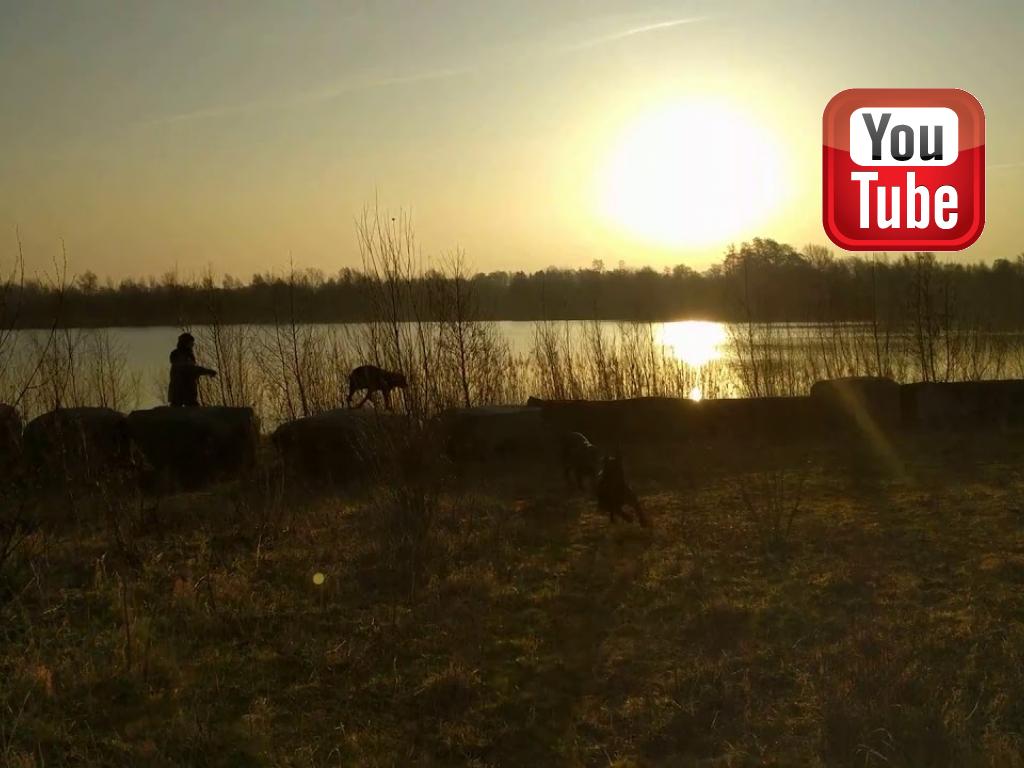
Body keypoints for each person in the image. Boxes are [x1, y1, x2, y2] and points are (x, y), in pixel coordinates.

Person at [168, 332, 217, 407]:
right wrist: (208, 371)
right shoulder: (182, 356)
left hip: (183, 393)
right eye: (191, 343)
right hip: (183, 393)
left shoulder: (183, 355)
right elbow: (191, 369)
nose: (192, 345)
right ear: (186, 343)